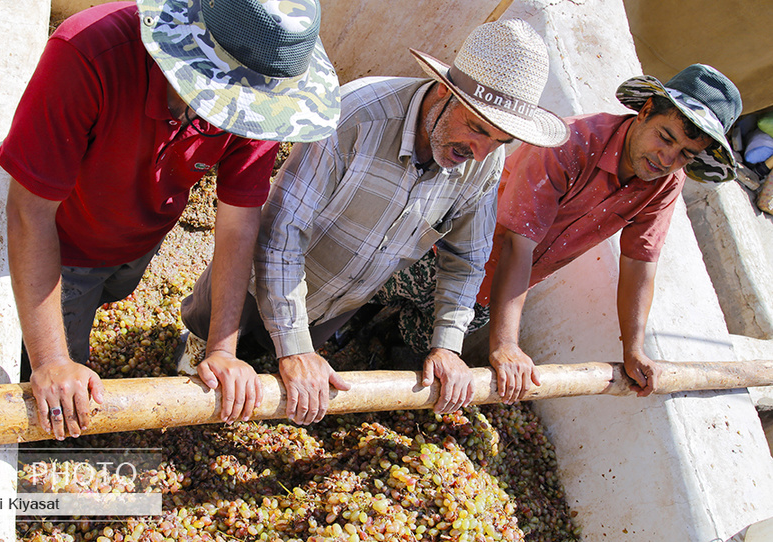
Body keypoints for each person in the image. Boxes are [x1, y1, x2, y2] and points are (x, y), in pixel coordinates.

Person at [180, 19, 570, 424]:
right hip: (255, 283)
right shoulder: (356, 115)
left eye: (501, 140)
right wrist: (294, 348)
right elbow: (282, 232)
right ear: (443, 91)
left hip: (335, 302)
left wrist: (448, 346)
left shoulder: (484, 164)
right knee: (202, 361)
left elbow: (467, 260)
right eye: (476, 128)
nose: (481, 151)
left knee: (266, 383)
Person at [0, 0, 340, 440]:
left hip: (142, 233)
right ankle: (48, 445)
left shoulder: (264, 98)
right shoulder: (88, 53)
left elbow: (238, 223)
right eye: (215, 100)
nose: (223, 119)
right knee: (62, 376)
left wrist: (222, 349)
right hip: (66, 244)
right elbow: (29, 210)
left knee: (114, 287)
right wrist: (50, 361)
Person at [386, 64, 742, 403]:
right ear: (646, 110)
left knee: (418, 338)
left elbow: (640, 262)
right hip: (443, 252)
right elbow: (516, 241)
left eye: (685, 155)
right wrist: (506, 343)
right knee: (371, 293)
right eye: (665, 138)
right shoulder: (572, 143)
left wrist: (633, 350)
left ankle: (375, 354)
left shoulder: (664, 183)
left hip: (493, 294)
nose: (667, 158)